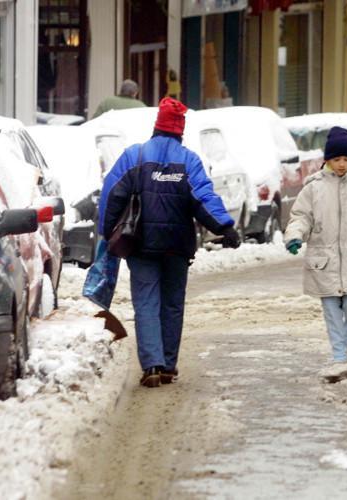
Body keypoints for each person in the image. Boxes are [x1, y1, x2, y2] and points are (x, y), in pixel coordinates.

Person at [98, 97, 242, 388]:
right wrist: (225, 227)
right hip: (177, 246)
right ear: (180, 130)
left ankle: (152, 366)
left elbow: (111, 195)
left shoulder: (134, 157)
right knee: (172, 304)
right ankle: (168, 364)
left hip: (140, 245)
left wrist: (105, 231)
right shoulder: (188, 161)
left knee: (147, 303)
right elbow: (203, 198)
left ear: (156, 127)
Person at [284, 127, 347, 382]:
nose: (342, 164)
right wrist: (295, 236)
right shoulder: (314, 188)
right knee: (332, 311)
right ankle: (340, 357)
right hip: (324, 262)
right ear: (327, 160)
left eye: (346, 159)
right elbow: (300, 216)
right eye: (336, 159)